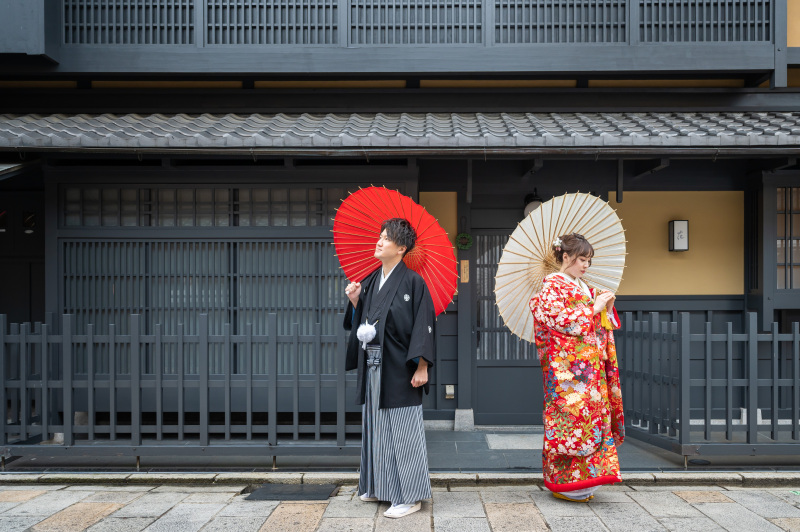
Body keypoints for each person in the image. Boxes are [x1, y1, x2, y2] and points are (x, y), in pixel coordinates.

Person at [343, 217, 435, 519]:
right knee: (376, 427)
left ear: (402, 248)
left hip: (400, 367)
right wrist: (357, 301)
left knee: (403, 429)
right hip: (373, 367)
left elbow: (424, 324)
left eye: (386, 238)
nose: (379, 241)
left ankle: (410, 496)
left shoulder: (413, 282)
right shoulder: (370, 280)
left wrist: (422, 366)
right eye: (380, 236)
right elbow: (365, 323)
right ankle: (379, 487)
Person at [529, 232, 625, 502]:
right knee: (572, 423)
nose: (585, 265)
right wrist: (592, 309)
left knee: (594, 421)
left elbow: (600, 324)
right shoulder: (552, 286)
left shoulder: (583, 286)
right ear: (566, 256)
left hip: (591, 368)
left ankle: (589, 482)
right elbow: (558, 320)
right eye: (582, 259)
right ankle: (566, 484)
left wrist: (605, 307)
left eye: (589, 260)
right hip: (569, 374)